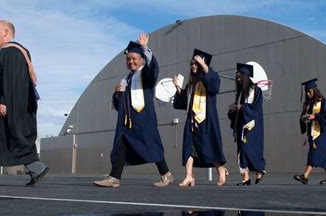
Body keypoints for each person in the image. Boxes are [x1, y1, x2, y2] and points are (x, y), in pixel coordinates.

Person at [94, 33, 174, 188]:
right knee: (121, 144)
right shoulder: (126, 79)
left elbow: (153, 69)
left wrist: (144, 48)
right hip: (127, 121)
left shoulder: (146, 74)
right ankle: (114, 176)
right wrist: (117, 93)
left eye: (134, 58)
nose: (131, 61)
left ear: (141, 59)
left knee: (151, 145)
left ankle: (166, 174)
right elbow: (119, 106)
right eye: (128, 59)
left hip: (144, 119)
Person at [0, 20, 48, 187]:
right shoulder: (11, 53)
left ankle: (36, 168)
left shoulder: (11, 53)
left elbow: (13, 81)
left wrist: (4, 102)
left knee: (9, 138)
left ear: (6, 32)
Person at [172, 49, 228, 187]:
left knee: (209, 146)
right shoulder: (191, 83)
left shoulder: (210, 76)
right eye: (192, 63)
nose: (194, 66)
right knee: (189, 147)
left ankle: (220, 169)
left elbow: (214, 87)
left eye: (196, 63)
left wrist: (204, 65)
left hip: (207, 120)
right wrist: (178, 88)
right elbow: (183, 102)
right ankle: (189, 176)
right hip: (192, 121)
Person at [227, 64, 266, 186]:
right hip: (241, 126)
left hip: (253, 126)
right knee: (242, 150)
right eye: (237, 78)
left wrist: (242, 107)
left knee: (251, 149)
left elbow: (256, 108)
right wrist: (232, 111)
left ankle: (259, 169)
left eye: (240, 77)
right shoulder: (239, 94)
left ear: (246, 77)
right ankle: (246, 176)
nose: (238, 80)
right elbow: (238, 109)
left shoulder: (256, 91)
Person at [293, 78, 326, 185]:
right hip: (312, 132)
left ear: (315, 91)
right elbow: (305, 118)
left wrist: (315, 116)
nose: (308, 93)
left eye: (309, 91)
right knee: (321, 155)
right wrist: (303, 118)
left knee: (314, 153)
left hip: (322, 132)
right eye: (306, 92)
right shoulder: (308, 104)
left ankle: (305, 176)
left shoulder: (324, 102)